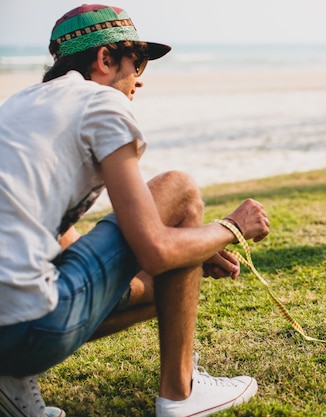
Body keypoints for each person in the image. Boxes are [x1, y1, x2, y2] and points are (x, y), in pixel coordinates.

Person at [0, 4, 270, 417]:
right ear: (105, 60)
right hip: (27, 331)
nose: (139, 81)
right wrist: (231, 227)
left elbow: (51, 233)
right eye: (137, 62)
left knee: (173, 278)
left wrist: (191, 256)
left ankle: (9, 378)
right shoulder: (100, 103)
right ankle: (181, 393)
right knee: (178, 188)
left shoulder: (20, 107)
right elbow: (156, 251)